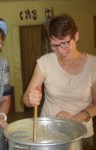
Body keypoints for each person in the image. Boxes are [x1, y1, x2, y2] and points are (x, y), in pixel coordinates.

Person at [23, 13, 96, 145]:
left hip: (81, 133)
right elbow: (26, 99)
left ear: (76, 36)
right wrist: (30, 98)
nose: (61, 51)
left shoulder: (93, 65)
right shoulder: (44, 63)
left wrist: (75, 118)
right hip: (49, 131)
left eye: (65, 43)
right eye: (54, 45)